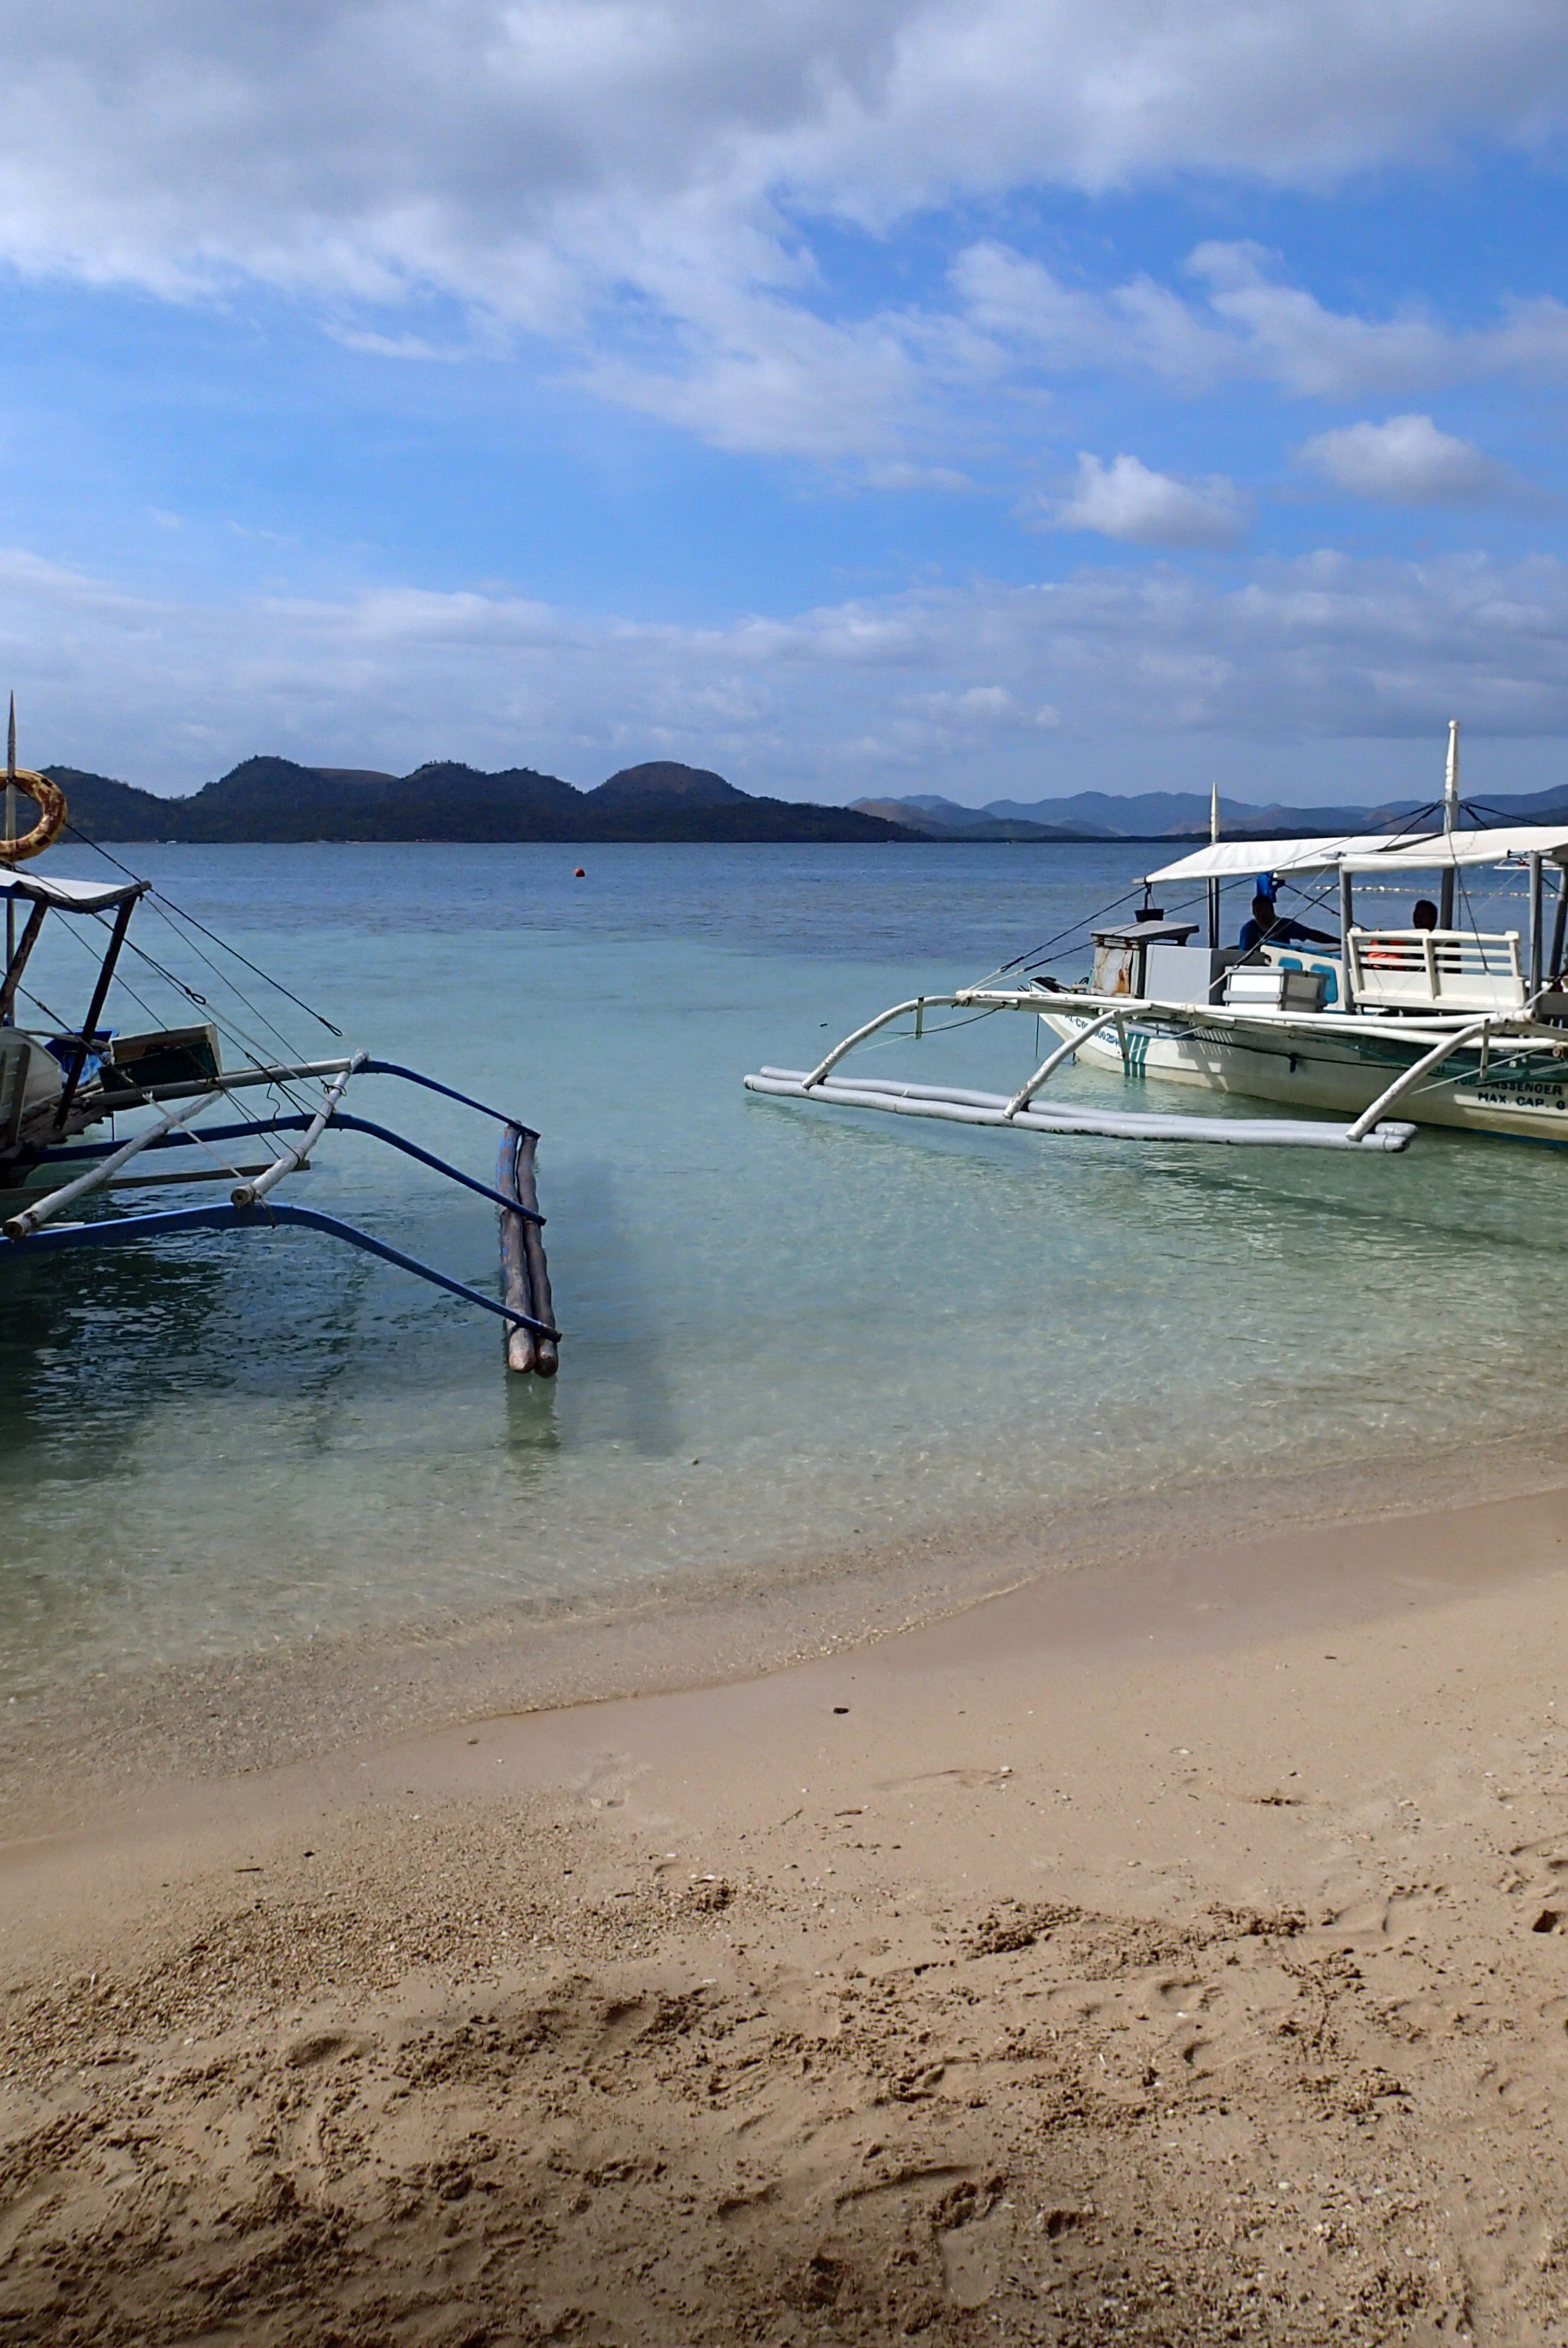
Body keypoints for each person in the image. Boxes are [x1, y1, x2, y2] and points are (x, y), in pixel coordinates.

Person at [1237, 890, 1338, 954]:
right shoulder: (1249, 929)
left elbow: (1310, 934)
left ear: (1272, 910)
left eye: (1265, 910)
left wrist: (1338, 941)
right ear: (1253, 912)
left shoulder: (1283, 924)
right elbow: (1243, 954)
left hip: (1283, 963)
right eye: (1258, 911)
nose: (1262, 914)